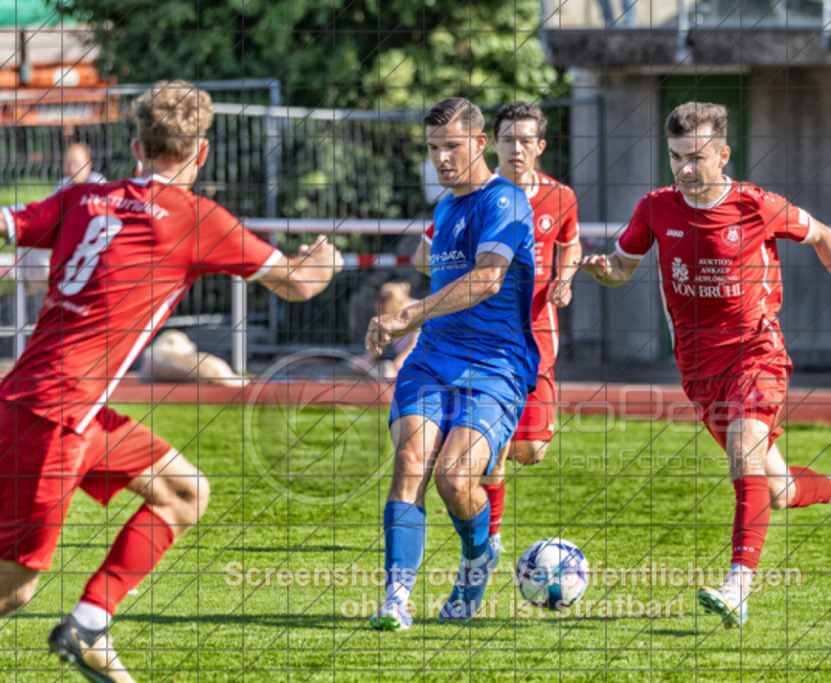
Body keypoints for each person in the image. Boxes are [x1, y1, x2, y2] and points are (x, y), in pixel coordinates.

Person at [0, 80, 344, 682]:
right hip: (56, 420)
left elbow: (8, 223)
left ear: (136, 144)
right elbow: (299, 283)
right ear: (201, 152)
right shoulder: (194, 217)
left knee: (184, 491)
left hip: (60, 407)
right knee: (13, 589)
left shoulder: (84, 199)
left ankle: (88, 627)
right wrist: (326, 260)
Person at [578, 102, 831, 629]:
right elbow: (621, 270)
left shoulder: (755, 205)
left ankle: (737, 587)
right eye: (675, 157)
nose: (684, 169)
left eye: (695, 157)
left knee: (744, 452)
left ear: (723, 154)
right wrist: (602, 271)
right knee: (779, 488)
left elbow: (825, 238)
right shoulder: (655, 208)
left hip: (755, 350)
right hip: (698, 369)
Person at [366, 97, 537, 630]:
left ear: (480, 144)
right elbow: (435, 271)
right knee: (410, 462)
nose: (441, 159)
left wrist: (407, 313)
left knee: (454, 478)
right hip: (433, 358)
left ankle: (478, 555)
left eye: (452, 147)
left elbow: (487, 279)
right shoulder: (443, 209)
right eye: (434, 148)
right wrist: (408, 321)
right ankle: (396, 596)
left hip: (495, 366)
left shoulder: (506, 200)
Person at [414, 101, 581, 554]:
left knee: (531, 450)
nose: (517, 148)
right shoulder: (475, 197)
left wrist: (564, 279)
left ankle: (485, 520)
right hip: (488, 341)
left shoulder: (559, 197)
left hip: (538, 334)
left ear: (540, 146)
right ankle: (493, 533)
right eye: (509, 139)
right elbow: (425, 253)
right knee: (498, 442)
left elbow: (571, 244)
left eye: (526, 140)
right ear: (495, 143)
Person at [350, 281, 420, 379]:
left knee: (390, 374)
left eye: (388, 311)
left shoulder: (417, 310)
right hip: (403, 360)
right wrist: (367, 359)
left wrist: (398, 363)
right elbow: (379, 344)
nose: (385, 314)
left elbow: (415, 346)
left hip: (422, 357)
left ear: (399, 303)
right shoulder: (388, 309)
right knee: (357, 365)